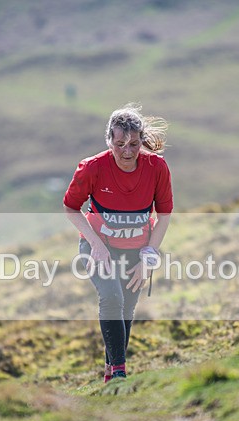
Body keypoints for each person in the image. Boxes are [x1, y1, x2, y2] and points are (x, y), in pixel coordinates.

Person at [63, 103, 173, 383]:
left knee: (125, 310)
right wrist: (96, 244)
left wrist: (148, 258)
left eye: (134, 144)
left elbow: (164, 214)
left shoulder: (157, 167)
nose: (127, 151)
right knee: (111, 297)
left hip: (137, 251)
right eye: (120, 143)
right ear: (109, 140)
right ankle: (121, 374)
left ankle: (111, 372)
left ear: (141, 140)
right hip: (99, 249)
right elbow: (71, 208)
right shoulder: (92, 168)